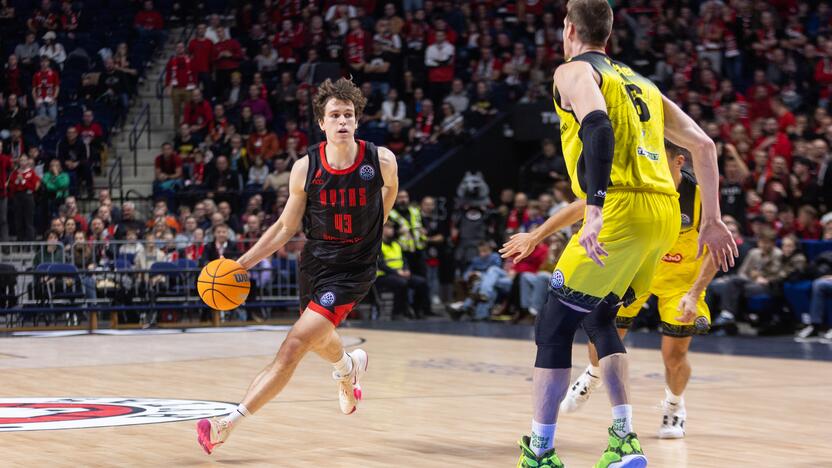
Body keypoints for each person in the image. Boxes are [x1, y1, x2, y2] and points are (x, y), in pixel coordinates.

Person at [508, 2, 736, 466]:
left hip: (620, 207)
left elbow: (596, 126)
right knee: (601, 319)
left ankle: (540, 451)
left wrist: (594, 209)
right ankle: (623, 440)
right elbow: (704, 146)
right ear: (609, 34)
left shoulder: (571, 71)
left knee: (552, 328)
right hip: (664, 214)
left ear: (570, 29)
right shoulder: (642, 83)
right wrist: (711, 219)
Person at [196, 78, 398, 454]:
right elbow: (286, 227)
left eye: (348, 115)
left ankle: (227, 423)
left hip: (354, 269)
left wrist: (375, 226)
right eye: (334, 115)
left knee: (294, 344)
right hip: (317, 263)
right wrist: (241, 264)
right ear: (321, 123)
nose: (342, 121)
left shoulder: (381, 161)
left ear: (357, 121)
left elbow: (390, 192)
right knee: (318, 339)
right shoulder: (306, 168)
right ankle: (346, 368)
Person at [503, 141, 720, 440]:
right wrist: (537, 235)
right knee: (602, 331)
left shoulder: (699, 196)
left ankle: (674, 405)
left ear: (679, 161)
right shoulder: (638, 181)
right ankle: (593, 374)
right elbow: (583, 206)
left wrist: (694, 293)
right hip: (638, 266)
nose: (651, 165)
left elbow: (716, 249)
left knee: (675, 355)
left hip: (680, 283)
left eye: (658, 160)